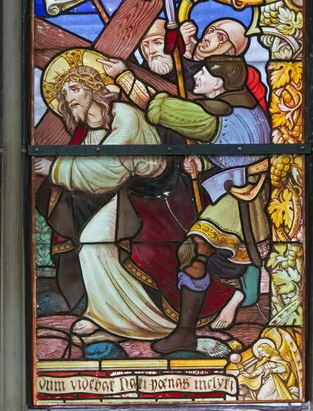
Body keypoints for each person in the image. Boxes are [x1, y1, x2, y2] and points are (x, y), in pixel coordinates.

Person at [101, 54, 271, 353]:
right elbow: (240, 152)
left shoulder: (214, 114)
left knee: (192, 251)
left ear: (219, 83)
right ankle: (194, 325)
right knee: (208, 255)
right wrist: (203, 163)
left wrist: (123, 75)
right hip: (246, 191)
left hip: (237, 199)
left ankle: (185, 332)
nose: (197, 78)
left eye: (204, 73)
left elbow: (158, 108)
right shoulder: (249, 109)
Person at [35, 50, 179, 340]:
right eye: (64, 93)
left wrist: (55, 169)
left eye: (75, 88)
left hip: (155, 204)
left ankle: (137, 321)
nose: (69, 97)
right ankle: (102, 315)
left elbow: (108, 170)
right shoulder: (90, 132)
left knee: (95, 244)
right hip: (124, 199)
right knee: (92, 245)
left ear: (93, 90)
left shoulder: (125, 115)